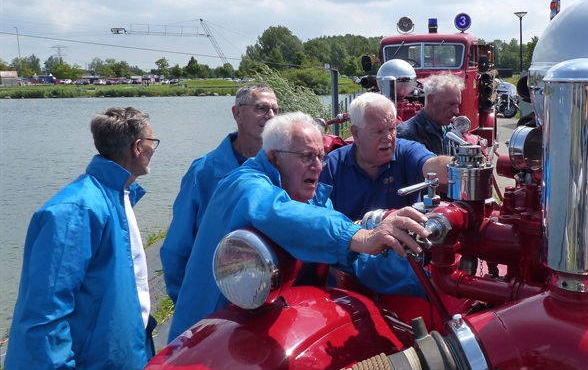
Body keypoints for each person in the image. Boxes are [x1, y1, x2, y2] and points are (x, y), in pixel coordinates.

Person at [169, 112, 430, 341]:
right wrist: (359, 234)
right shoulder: (243, 184)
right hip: (210, 333)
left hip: (264, 334)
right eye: (307, 156)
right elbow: (274, 210)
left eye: (321, 156)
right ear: (273, 158)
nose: (318, 167)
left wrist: (427, 275)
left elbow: (356, 259)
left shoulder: (314, 200)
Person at [7, 107, 159, 369]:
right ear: (136, 147)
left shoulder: (118, 195)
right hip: (95, 360)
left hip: (123, 351)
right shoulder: (75, 211)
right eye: (151, 142)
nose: (153, 149)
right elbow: (45, 316)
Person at [161, 83, 278, 304]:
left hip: (264, 296)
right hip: (211, 298)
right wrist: (185, 300)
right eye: (261, 108)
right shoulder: (204, 171)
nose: (270, 115)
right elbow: (177, 246)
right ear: (237, 113)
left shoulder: (281, 167)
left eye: (275, 110)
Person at [320, 92, 451, 221]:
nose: (388, 138)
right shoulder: (331, 167)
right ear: (356, 134)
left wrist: (459, 167)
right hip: (350, 241)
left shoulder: (406, 152)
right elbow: (319, 217)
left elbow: (433, 165)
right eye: (378, 131)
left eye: (392, 129)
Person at [397, 74, 465, 155]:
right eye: (451, 104)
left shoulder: (451, 130)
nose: (456, 111)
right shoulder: (405, 135)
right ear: (431, 99)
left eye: (457, 105)